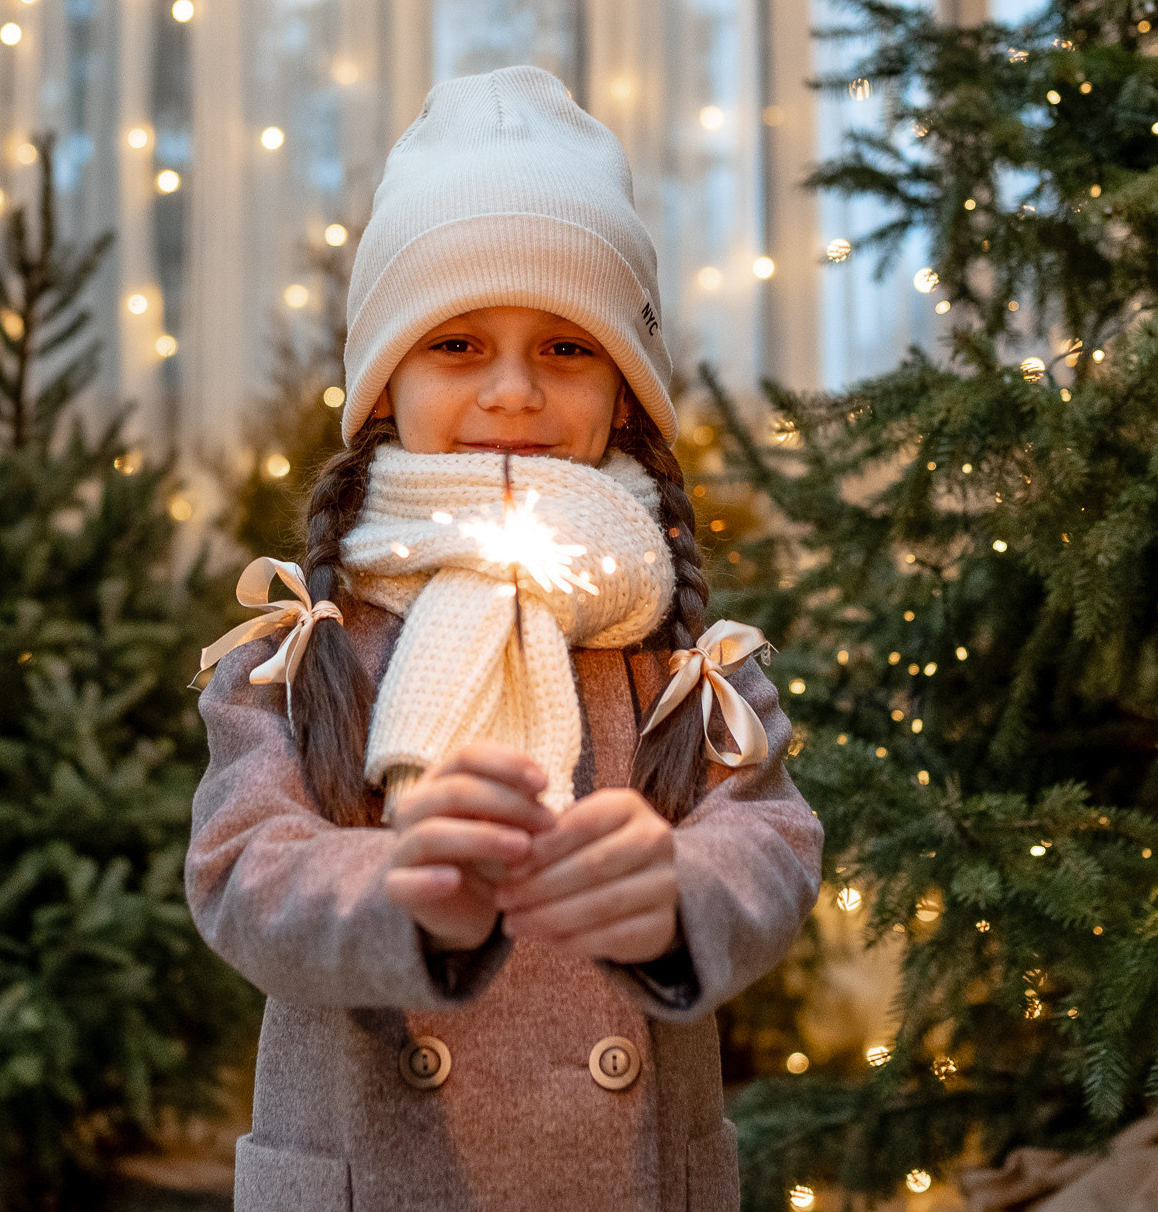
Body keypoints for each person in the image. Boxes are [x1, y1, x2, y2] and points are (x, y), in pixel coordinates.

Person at [186, 64, 824, 1212]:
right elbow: (242, 869)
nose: (516, 392)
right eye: (458, 344)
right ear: (383, 385)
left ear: (627, 389)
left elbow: (770, 843)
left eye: (567, 347)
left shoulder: (684, 662)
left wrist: (673, 894)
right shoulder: (299, 647)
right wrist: (404, 889)